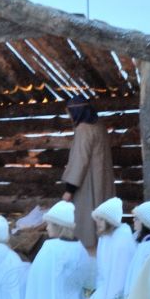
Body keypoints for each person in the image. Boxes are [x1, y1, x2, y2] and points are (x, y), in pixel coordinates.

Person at [60, 100, 116, 249]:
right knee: (102, 222)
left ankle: (88, 252)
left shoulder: (83, 129)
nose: (70, 117)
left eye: (70, 114)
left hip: (87, 185)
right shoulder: (100, 126)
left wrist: (69, 189)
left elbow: (80, 160)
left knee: (86, 224)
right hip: (102, 182)